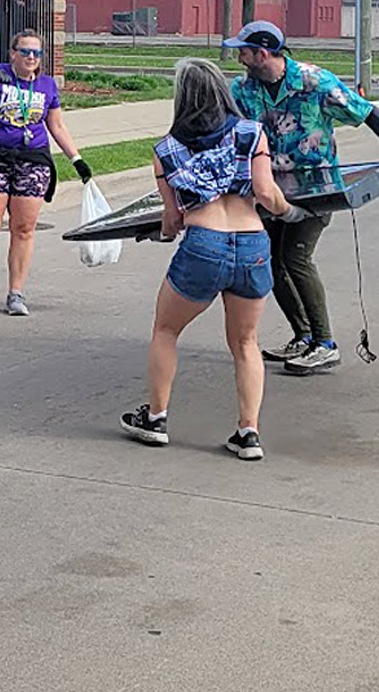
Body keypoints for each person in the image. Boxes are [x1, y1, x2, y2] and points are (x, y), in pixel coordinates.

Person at [120, 58, 309, 460]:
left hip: (203, 243)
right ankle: (248, 433)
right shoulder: (250, 133)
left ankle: (155, 418)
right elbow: (267, 194)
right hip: (252, 244)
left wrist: (163, 233)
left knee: (166, 330)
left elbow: (172, 221)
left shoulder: (166, 150)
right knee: (245, 342)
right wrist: (291, 212)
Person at [222, 20, 379, 375]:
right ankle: (304, 335)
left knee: (295, 256)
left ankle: (325, 344)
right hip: (268, 188)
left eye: (243, 52)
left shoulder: (314, 83)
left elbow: (365, 110)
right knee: (270, 261)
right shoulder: (244, 90)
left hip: (317, 188)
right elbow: (222, 129)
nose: (238, 58)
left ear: (263, 53)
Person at [0, 30, 92, 316]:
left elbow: (57, 126)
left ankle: (16, 293)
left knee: (23, 228)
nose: (31, 57)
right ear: (12, 53)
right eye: (25, 51)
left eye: (36, 53)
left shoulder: (47, 86)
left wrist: (76, 159)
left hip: (32, 161)